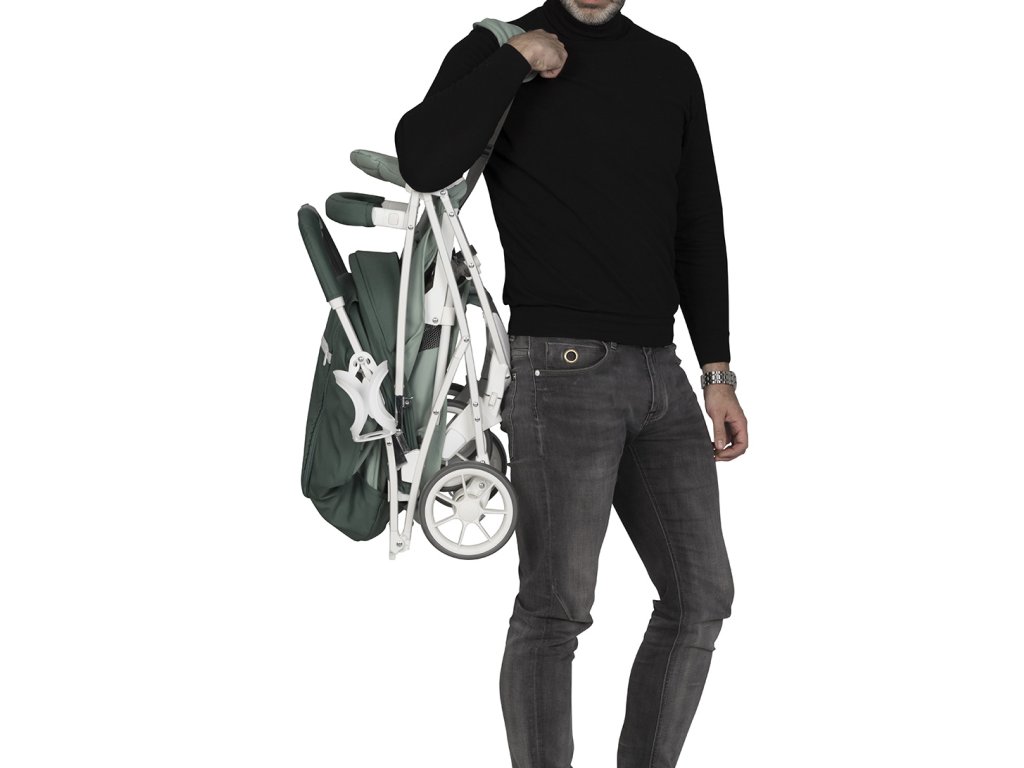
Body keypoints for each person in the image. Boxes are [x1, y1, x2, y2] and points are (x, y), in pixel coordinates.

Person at [394, 1, 748, 766]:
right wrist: (516, 62)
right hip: (558, 372)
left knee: (701, 598)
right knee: (556, 610)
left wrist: (717, 369)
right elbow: (421, 160)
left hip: (662, 372)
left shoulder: (668, 68)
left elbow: (698, 221)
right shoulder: (497, 49)